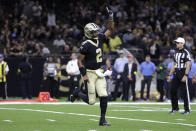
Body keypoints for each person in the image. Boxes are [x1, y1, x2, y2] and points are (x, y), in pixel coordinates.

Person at [70, 7, 114, 126]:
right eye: (94, 32)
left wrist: (111, 17)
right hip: (89, 73)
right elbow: (80, 61)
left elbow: (110, 29)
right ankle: (77, 92)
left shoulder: (99, 37)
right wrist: (83, 75)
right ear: (89, 33)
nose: (96, 33)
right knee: (91, 101)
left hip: (100, 72)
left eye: (96, 31)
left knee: (104, 96)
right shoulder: (86, 45)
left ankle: (102, 120)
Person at [167, 37, 191, 114]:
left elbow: (188, 64)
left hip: (183, 72)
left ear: (182, 44)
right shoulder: (176, 52)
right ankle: (175, 108)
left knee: (184, 92)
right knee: (172, 90)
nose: (177, 44)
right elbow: (174, 64)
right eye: (176, 43)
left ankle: (187, 110)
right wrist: (169, 74)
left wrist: (186, 75)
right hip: (177, 72)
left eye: (178, 43)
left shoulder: (186, 52)